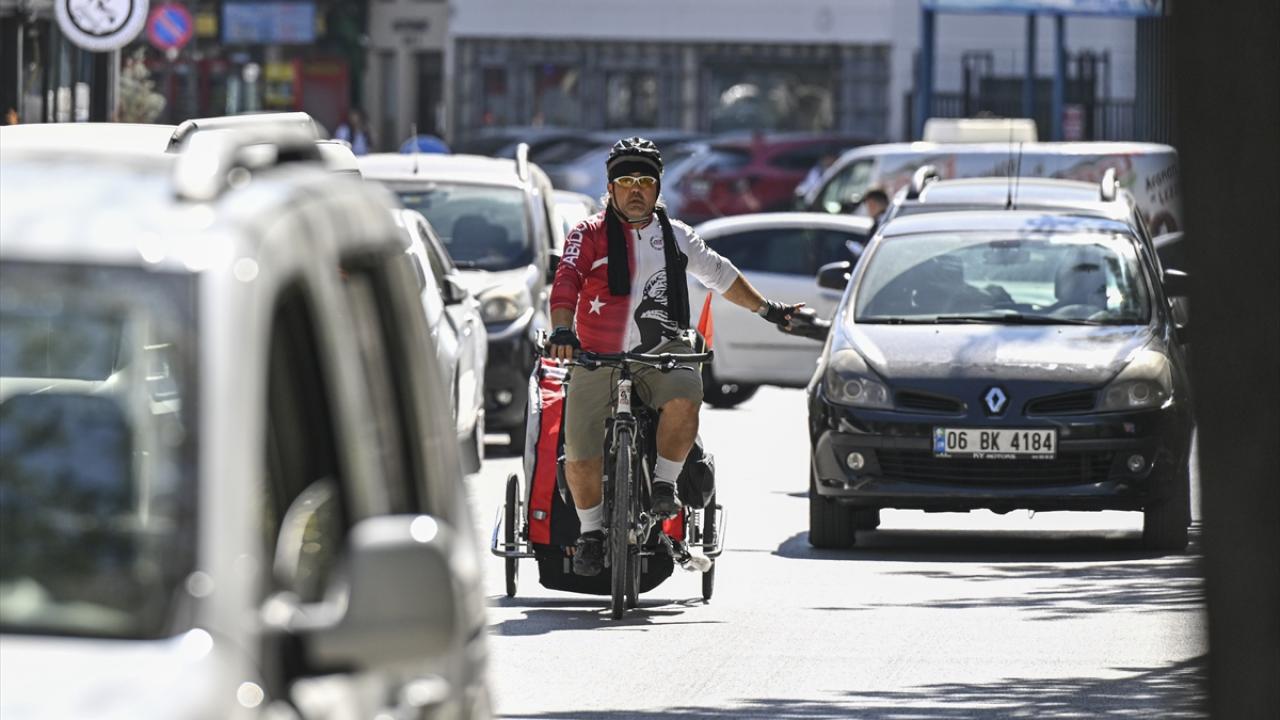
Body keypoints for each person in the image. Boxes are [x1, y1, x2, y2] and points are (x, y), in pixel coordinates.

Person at [548, 136, 803, 576]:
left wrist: (770, 311)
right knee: (580, 447)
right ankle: (591, 532)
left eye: (644, 181)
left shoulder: (677, 236)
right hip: (596, 354)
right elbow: (566, 279)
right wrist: (563, 330)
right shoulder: (586, 234)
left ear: (658, 187)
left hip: (661, 350)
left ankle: (664, 485)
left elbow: (723, 276)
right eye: (624, 180)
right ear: (609, 189)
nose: (634, 189)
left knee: (687, 391)